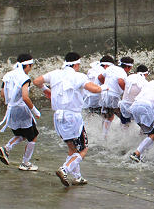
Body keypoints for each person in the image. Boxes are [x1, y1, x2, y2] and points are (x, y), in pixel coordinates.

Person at [33, 52, 102, 187]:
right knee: (83, 149)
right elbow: (94, 89)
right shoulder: (79, 76)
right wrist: (104, 88)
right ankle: (65, 169)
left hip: (58, 117)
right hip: (72, 116)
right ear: (76, 64)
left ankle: (77, 177)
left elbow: (36, 81)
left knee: (72, 147)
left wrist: (45, 90)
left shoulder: (54, 73)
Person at [0, 54, 41, 171]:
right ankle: (25, 163)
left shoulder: (8, 75)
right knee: (33, 136)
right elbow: (25, 97)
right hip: (22, 109)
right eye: (31, 66)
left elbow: (2, 94)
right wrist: (35, 111)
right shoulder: (24, 78)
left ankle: (7, 148)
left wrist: (12, 102)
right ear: (28, 66)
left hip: (11, 109)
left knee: (21, 135)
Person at [97, 55, 130, 137]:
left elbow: (100, 77)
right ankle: (124, 135)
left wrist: (106, 85)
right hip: (113, 96)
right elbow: (120, 81)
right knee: (124, 116)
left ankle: (104, 136)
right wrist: (126, 92)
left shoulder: (110, 68)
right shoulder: (122, 72)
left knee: (108, 117)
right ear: (128, 67)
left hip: (104, 94)